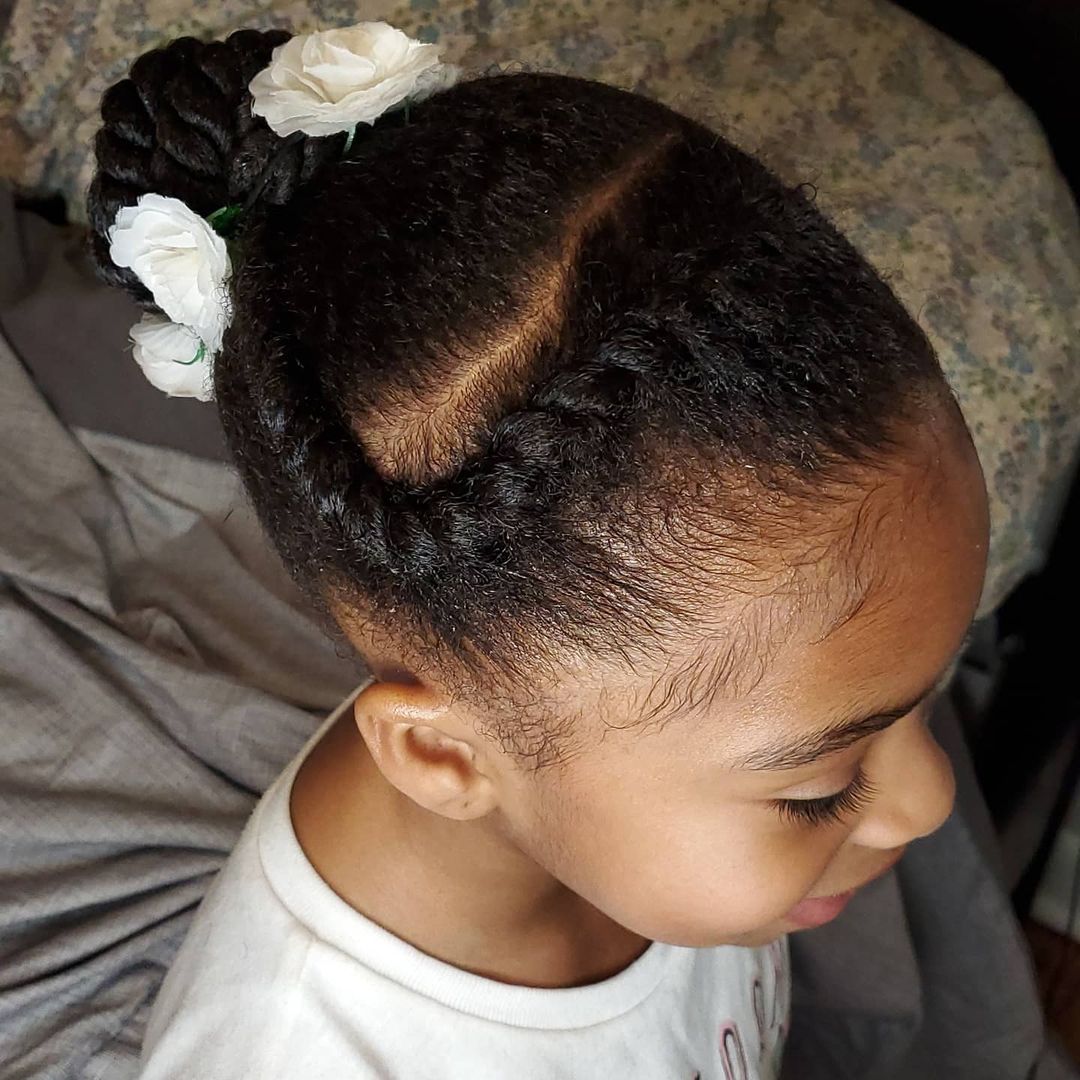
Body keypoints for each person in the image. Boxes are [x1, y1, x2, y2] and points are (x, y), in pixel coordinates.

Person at [84, 20, 990, 1079]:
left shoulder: (574, 738)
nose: (930, 801)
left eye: (928, 697)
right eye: (819, 787)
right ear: (443, 756)